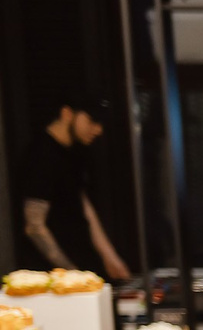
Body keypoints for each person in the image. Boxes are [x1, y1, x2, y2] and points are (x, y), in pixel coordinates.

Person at [13, 99, 132, 279]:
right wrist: (71, 273)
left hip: (81, 264)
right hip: (50, 275)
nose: (98, 130)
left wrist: (109, 255)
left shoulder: (75, 151)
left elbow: (83, 204)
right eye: (92, 121)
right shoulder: (41, 155)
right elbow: (34, 226)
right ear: (67, 113)